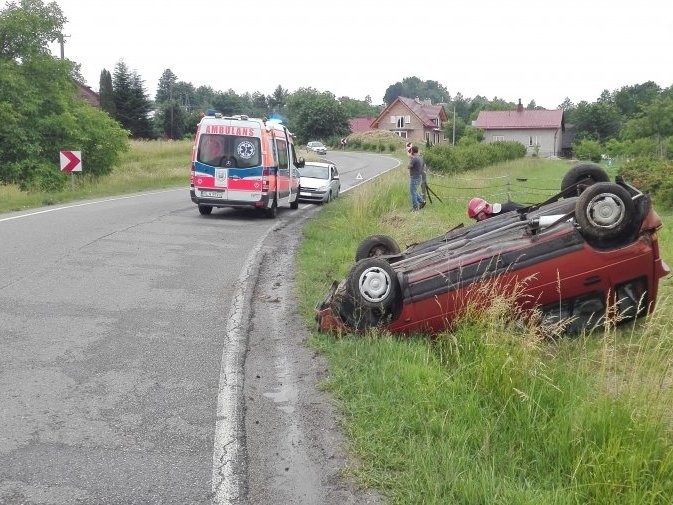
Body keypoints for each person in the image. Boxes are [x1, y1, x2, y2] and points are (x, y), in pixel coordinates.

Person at [408, 145, 426, 211]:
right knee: (414, 191)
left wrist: (410, 159)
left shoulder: (414, 159)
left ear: (412, 151)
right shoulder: (420, 158)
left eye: (411, 150)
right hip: (419, 176)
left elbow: (409, 166)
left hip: (414, 177)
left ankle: (415, 207)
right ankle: (422, 201)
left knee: (412, 192)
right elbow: (423, 165)